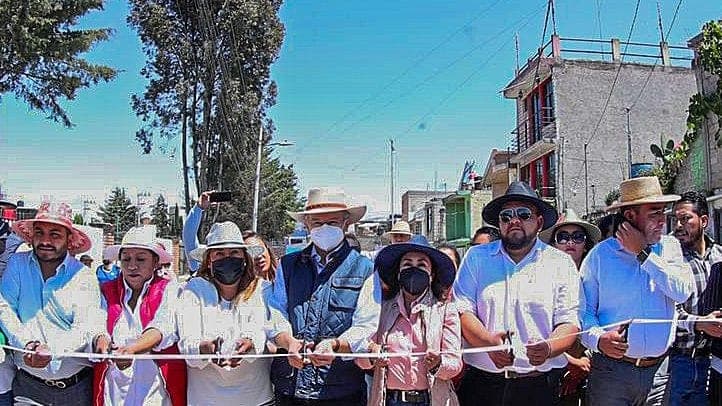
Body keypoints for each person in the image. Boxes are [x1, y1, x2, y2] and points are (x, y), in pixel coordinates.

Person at [453, 181, 580, 406]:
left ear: (539, 222)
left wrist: (548, 348)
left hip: (538, 387)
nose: (514, 221)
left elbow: (569, 321)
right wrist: (488, 342)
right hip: (482, 385)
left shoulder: (560, 263)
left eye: (523, 214)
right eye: (506, 216)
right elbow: (463, 311)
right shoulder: (476, 257)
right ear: (499, 224)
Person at [579, 176, 693, 405]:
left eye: (663, 212)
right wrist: (599, 340)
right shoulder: (600, 256)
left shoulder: (670, 248)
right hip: (612, 373)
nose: (662, 220)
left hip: (659, 373)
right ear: (630, 216)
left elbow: (682, 292)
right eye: (654, 214)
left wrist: (644, 254)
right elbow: (584, 313)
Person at [268, 187, 380, 405]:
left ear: (346, 224)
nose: (324, 228)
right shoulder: (288, 265)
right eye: (317, 223)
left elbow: (367, 324)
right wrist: (289, 342)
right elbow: (276, 311)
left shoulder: (365, 268)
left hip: (342, 389)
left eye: (333, 222)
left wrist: (336, 345)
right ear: (306, 224)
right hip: (290, 386)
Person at [0, 202, 107, 405]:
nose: (45, 241)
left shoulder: (83, 275)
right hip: (28, 387)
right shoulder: (18, 263)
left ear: (69, 239)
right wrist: (28, 345)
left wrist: (50, 351)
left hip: (75, 390)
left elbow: (85, 326)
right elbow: (4, 308)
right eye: (39, 233)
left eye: (55, 235)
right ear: (31, 236)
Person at [358, 235, 462, 406]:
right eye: (407, 264)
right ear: (399, 273)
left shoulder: (445, 309)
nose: (414, 269)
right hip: (389, 400)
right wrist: (372, 354)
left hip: (433, 400)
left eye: (421, 265)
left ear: (431, 274)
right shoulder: (380, 307)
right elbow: (360, 357)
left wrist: (438, 364)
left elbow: (454, 363)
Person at [177, 222, 273, 406]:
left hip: (256, 399)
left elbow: (262, 331)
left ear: (244, 258)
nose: (227, 258)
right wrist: (206, 348)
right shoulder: (194, 290)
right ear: (209, 260)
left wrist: (250, 344)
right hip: (206, 400)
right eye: (219, 254)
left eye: (234, 253)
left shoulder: (263, 289)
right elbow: (187, 341)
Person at [92, 226, 186, 405]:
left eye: (141, 259)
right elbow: (96, 324)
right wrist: (101, 340)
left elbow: (164, 326)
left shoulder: (169, 289)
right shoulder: (106, 290)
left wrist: (133, 349)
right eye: (126, 259)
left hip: (155, 392)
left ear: (155, 262)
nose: (132, 266)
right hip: (114, 391)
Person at [539, 208, 602, 404]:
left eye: (577, 237)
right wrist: (569, 362)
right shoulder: (541, 279)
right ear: (553, 244)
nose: (570, 242)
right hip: (550, 367)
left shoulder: (596, 278)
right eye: (563, 237)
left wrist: (586, 360)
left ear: (585, 244)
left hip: (592, 367)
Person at [668, 191, 722, 405]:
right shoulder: (669, 260)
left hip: (713, 361)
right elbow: (667, 312)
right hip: (677, 361)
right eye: (675, 219)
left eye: (685, 219)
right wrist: (700, 323)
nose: (678, 226)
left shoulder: (719, 256)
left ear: (704, 221)